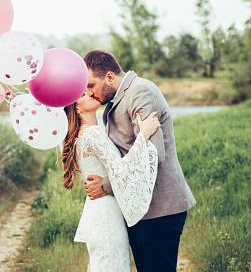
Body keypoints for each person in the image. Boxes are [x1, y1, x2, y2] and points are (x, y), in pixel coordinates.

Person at [83, 50, 196, 272]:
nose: (89, 93)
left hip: (160, 209)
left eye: (91, 86)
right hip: (140, 209)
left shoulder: (140, 91)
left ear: (109, 77)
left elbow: (153, 155)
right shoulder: (117, 98)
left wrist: (105, 185)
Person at [62, 92, 161, 271]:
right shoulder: (92, 134)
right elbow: (121, 170)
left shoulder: (84, 134)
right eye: (83, 94)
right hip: (107, 217)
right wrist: (143, 136)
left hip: (98, 212)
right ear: (76, 108)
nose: (91, 93)